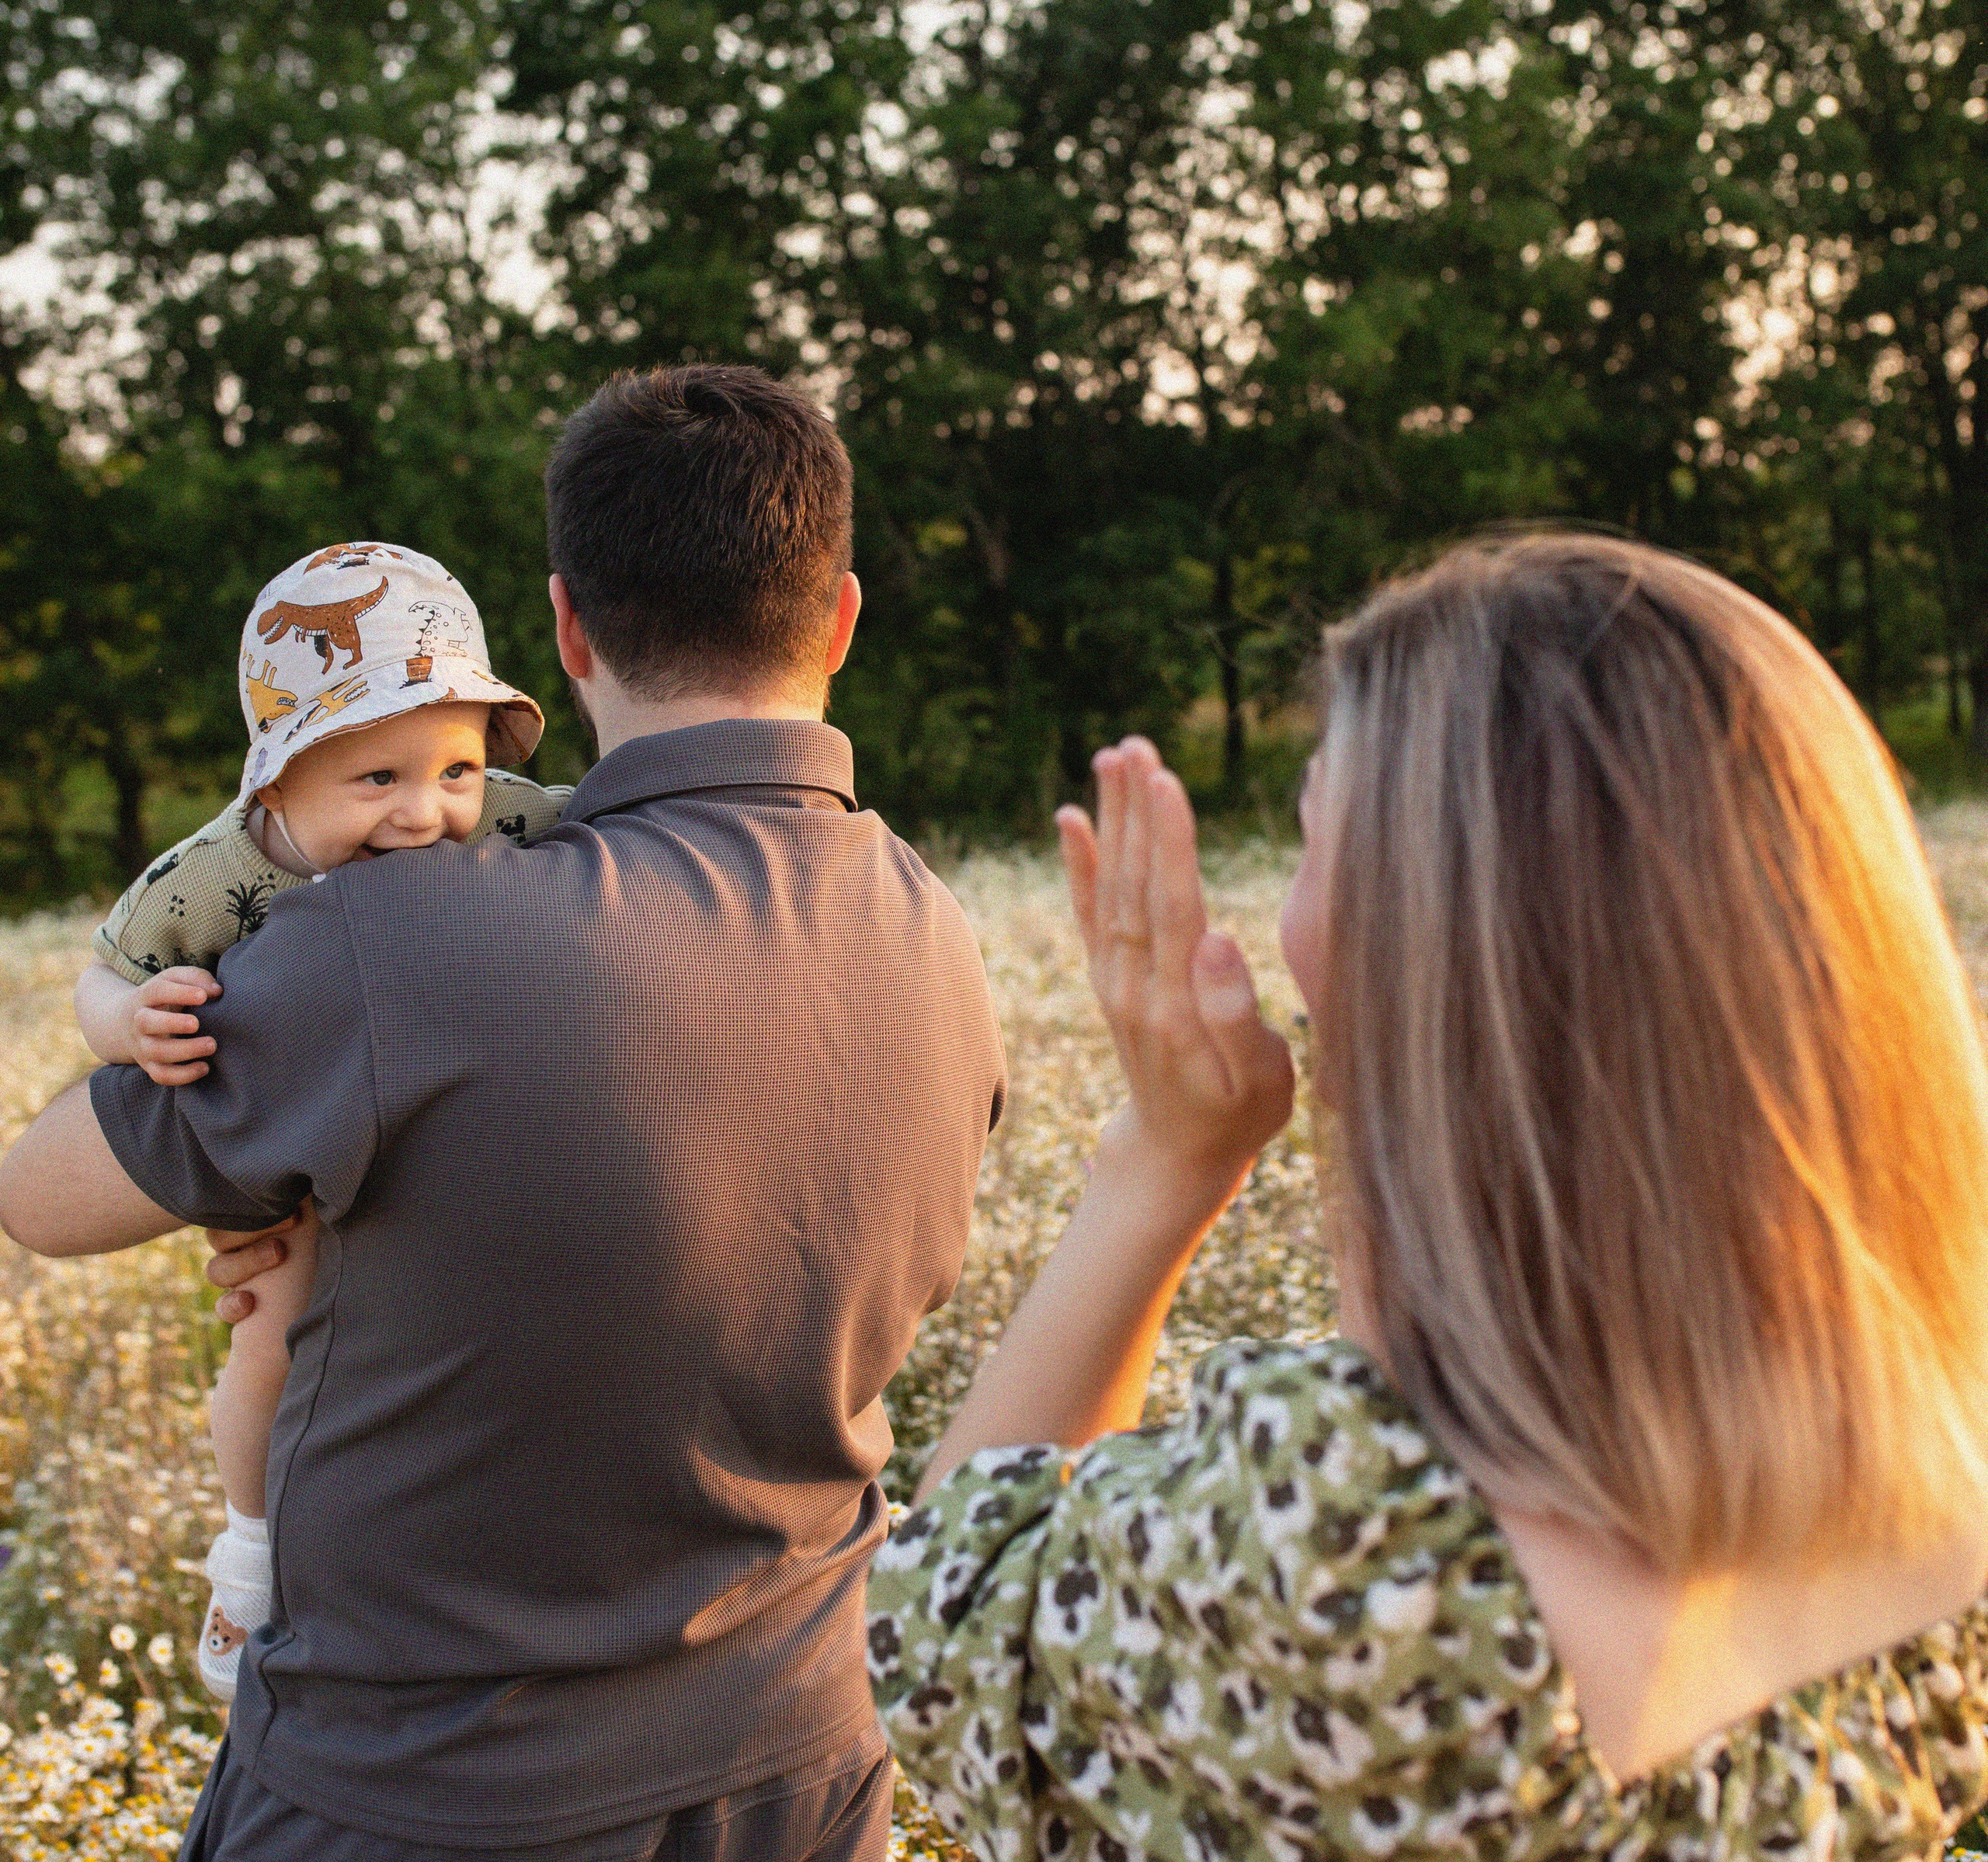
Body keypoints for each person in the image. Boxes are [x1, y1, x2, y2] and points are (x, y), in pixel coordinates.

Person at [0, 363, 1006, 1862]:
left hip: (412, 1795)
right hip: (806, 1776)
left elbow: (46, 1196)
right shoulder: (942, 939)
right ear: (844, 618)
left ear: (568, 627)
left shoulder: (398, 937)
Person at [870, 533, 1988, 1861]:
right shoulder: (1934, 1480)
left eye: (1310, 846)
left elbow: (945, 1623)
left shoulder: (1372, 1548)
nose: (1282, 924)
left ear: (1441, 954)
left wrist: (1170, 1160)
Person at [72, 543, 570, 1700]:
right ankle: (249, 1561)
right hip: (288, 1172)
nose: (426, 813)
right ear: (277, 787)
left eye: (452, 767)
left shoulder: (500, 817)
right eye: (376, 781)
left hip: (436, 1142)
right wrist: (130, 1026)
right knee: (270, 1342)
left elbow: (607, 830)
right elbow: (107, 973)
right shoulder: (209, 876)